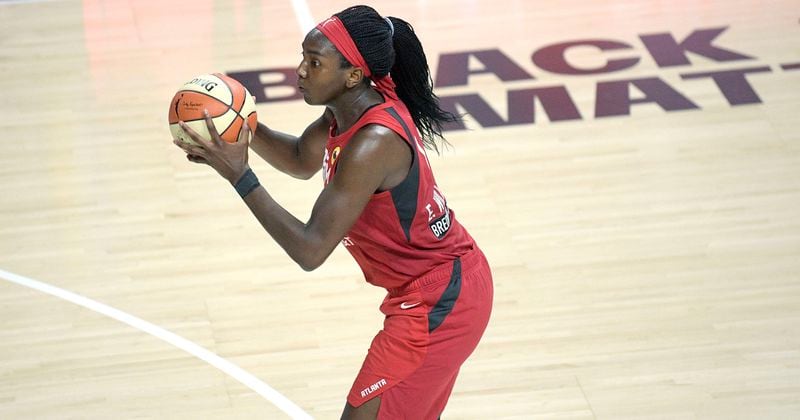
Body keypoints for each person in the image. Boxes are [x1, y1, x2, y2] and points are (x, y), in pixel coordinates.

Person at [173, 5, 493, 419]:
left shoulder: (372, 142)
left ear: (353, 75)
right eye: (303, 57)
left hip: (441, 301)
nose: (301, 71)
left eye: (315, 62)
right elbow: (301, 160)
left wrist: (240, 176)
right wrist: (242, 126)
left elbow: (310, 249)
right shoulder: (345, 112)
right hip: (434, 291)